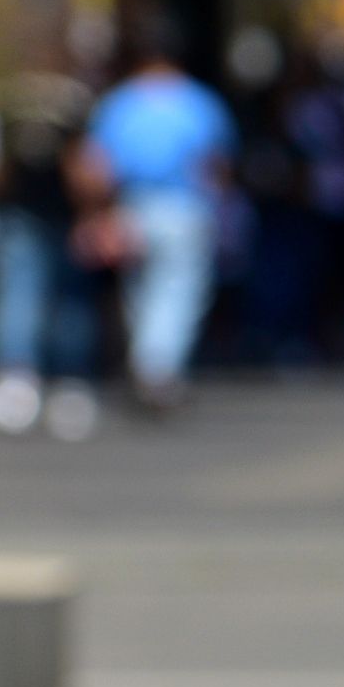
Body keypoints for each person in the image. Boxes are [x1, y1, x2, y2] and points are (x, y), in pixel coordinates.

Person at [88, 35, 236, 410]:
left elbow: (97, 166)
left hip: (132, 206)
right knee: (178, 291)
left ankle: (147, 363)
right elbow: (218, 161)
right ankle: (157, 368)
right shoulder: (198, 102)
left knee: (139, 293)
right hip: (183, 207)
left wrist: (99, 214)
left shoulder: (120, 103)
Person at [0, 64, 105, 435]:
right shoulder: (73, 98)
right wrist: (92, 213)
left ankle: (16, 378)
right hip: (60, 215)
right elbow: (83, 167)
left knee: (17, 294)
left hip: (18, 213)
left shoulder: (6, 96)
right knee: (70, 298)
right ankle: (69, 381)